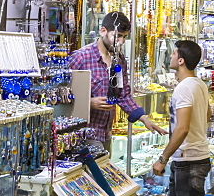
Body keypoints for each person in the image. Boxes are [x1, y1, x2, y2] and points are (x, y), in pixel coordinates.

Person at [147, 40, 213, 196]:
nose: (171, 56)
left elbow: (183, 128)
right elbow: (206, 115)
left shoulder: (185, 88)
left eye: (174, 53)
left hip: (189, 160)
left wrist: (162, 157)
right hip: (188, 159)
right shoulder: (198, 84)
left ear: (181, 60)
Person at [68, 12, 164, 148]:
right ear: (103, 31)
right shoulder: (81, 58)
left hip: (106, 134)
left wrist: (143, 118)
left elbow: (123, 95)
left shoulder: (119, 60)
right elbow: (60, 96)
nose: (121, 41)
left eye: (124, 37)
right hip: (84, 136)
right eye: (117, 36)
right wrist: (87, 102)